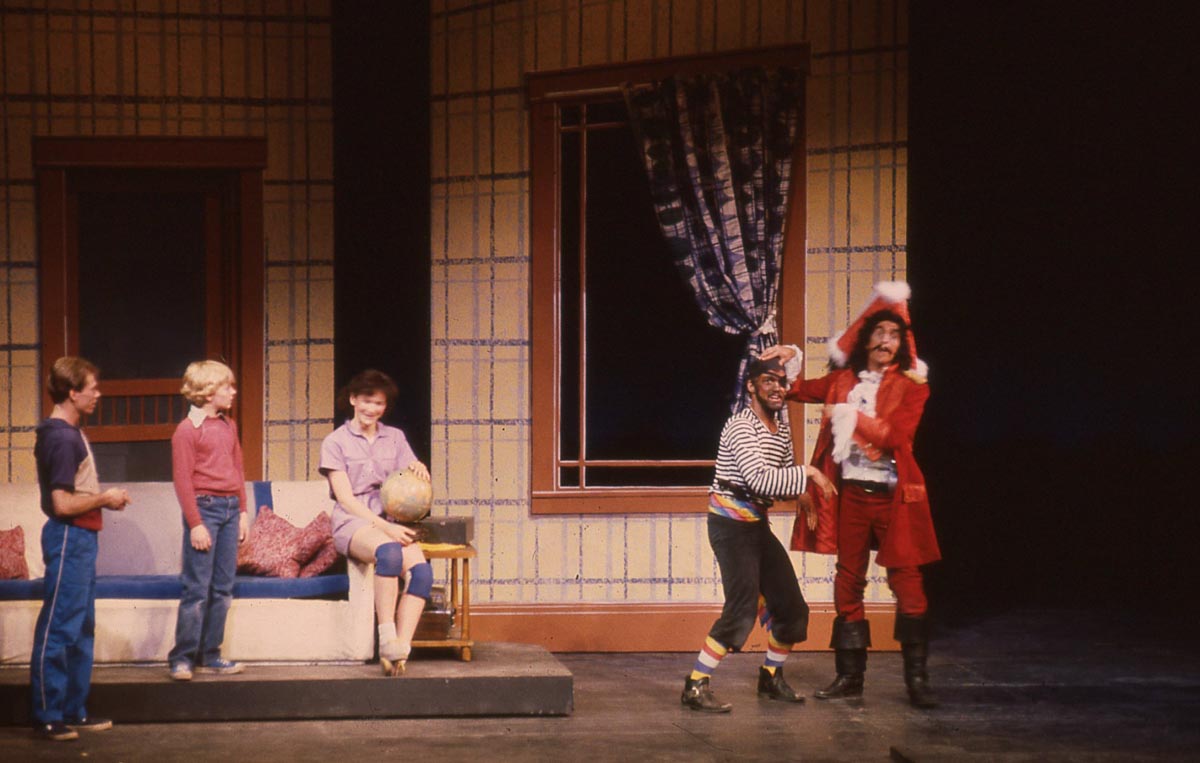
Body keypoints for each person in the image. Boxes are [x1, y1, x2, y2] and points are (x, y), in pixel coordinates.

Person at [762, 281, 941, 708]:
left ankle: (917, 680)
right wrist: (787, 357)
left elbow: (895, 435)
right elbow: (795, 390)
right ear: (865, 338)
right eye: (878, 332)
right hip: (854, 497)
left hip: (895, 498)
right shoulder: (844, 380)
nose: (885, 340)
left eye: (893, 334)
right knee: (848, 578)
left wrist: (849, 416)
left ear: (902, 343)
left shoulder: (913, 385)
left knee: (907, 581)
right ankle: (849, 676)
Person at [681, 355, 837, 713]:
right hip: (730, 525)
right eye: (768, 380)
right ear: (751, 386)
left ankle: (770, 676)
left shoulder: (779, 429)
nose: (777, 388)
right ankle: (695, 684)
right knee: (742, 608)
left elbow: (781, 474)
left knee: (792, 609)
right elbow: (759, 480)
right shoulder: (741, 426)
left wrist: (802, 496)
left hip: (755, 525)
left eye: (782, 382)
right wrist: (810, 474)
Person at [30, 357, 131, 741]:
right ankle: (49, 714)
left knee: (81, 628)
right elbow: (61, 504)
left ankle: (73, 709)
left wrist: (102, 502)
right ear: (73, 393)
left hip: (83, 538)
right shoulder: (61, 438)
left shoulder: (71, 432)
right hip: (69, 536)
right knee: (60, 627)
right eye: (93, 388)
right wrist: (105, 498)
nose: (98, 394)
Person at [319, 370, 433, 676]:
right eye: (367, 401)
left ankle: (400, 649)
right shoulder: (335, 442)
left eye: (379, 403)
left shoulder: (395, 437)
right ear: (353, 400)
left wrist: (418, 470)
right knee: (390, 553)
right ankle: (387, 638)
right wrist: (386, 528)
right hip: (354, 522)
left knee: (422, 573)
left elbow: (408, 479)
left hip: (389, 520)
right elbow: (345, 499)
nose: (372, 409)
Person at [167, 361, 248, 681]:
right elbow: (182, 480)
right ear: (209, 391)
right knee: (197, 588)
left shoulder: (228, 425)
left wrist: (243, 513)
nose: (233, 392)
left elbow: (238, 470)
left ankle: (210, 654)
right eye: (227, 387)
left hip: (230, 509)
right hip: (205, 509)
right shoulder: (187, 430)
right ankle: (183, 657)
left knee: (223, 588)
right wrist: (196, 523)